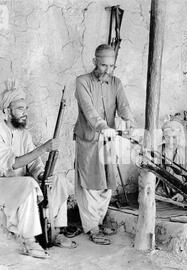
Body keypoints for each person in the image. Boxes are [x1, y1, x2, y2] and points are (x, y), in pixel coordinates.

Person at [0, 80, 74, 259]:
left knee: (57, 179)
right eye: (20, 108)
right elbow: (9, 165)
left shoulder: (25, 135)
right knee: (27, 184)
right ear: (7, 110)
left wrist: (42, 174)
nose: (25, 113)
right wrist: (43, 148)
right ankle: (29, 241)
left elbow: (34, 163)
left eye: (25, 108)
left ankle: (56, 231)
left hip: (18, 182)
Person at [74, 44, 135, 245]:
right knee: (90, 184)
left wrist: (129, 122)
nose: (106, 70)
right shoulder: (82, 82)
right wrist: (102, 126)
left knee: (106, 184)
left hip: (107, 140)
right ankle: (92, 227)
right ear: (94, 62)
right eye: (102, 65)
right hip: (88, 139)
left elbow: (124, 106)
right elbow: (89, 111)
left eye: (111, 66)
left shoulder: (116, 83)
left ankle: (98, 222)